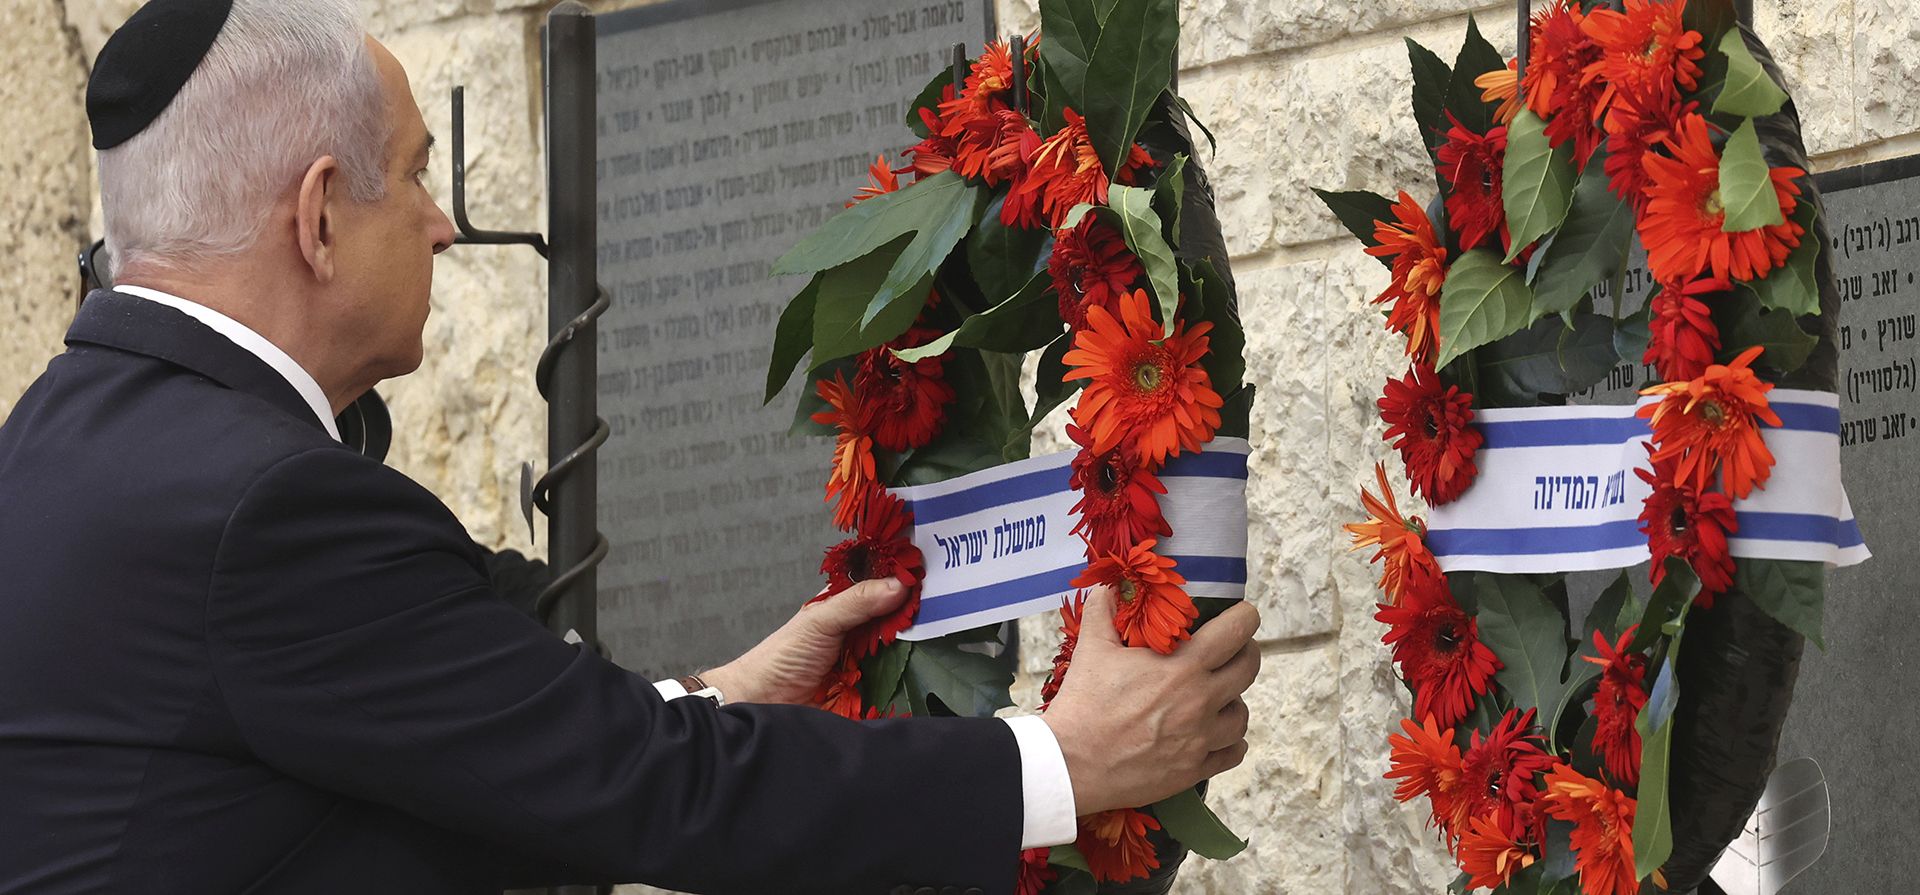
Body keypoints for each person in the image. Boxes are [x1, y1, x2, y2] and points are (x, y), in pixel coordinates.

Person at [0, 1, 1261, 893]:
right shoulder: (265, 508)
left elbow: (451, 770)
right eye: (416, 175)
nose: (442, 228)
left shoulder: (55, 447)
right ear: (320, 217)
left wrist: (704, 699)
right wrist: (1059, 760)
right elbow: (654, 798)